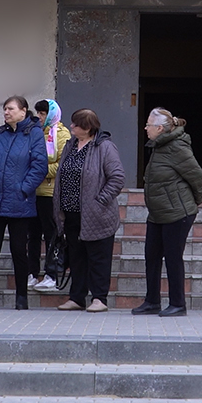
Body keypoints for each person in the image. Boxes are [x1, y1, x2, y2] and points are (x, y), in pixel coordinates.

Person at [0, 95, 47, 310]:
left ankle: (21, 297)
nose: (6, 112)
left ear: (23, 111)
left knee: (19, 251)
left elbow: (39, 166)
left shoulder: (34, 134)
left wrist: (23, 189)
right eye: (4, 109)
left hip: (18, 202)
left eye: (10, 109)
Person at [135, 107, 202, 317]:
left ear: (159, 128)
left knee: (173, 258)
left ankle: (178, 304)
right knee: (151, 256)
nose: (145, 128)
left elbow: (198, 178)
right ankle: (152, 302)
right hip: (158, 213)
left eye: (148, 124)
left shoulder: (176, 147)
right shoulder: (159, 146)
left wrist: (193, 202)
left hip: (177, 213)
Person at [54, 108, 126, 313]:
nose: (71, 127)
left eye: (75, 124)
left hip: (97, 214)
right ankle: (77, 297)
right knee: (76, 257)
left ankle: (99, 298)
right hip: (71, 213)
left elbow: (117, 177)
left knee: (98, 258)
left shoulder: (104, 147)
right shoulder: (70, 145)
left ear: (87, 128)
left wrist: (100, 201)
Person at [27, 99, 74, 293]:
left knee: (52, 234)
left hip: (50, 193)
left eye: (43, 113)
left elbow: (62, 164)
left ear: (52, 114)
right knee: (32, 235)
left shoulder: (62, 134)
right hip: (33, 192)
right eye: (38, 113)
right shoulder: (34, 132)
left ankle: (52, 274)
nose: (39, 117)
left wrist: (38, 170)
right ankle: (31, 272)